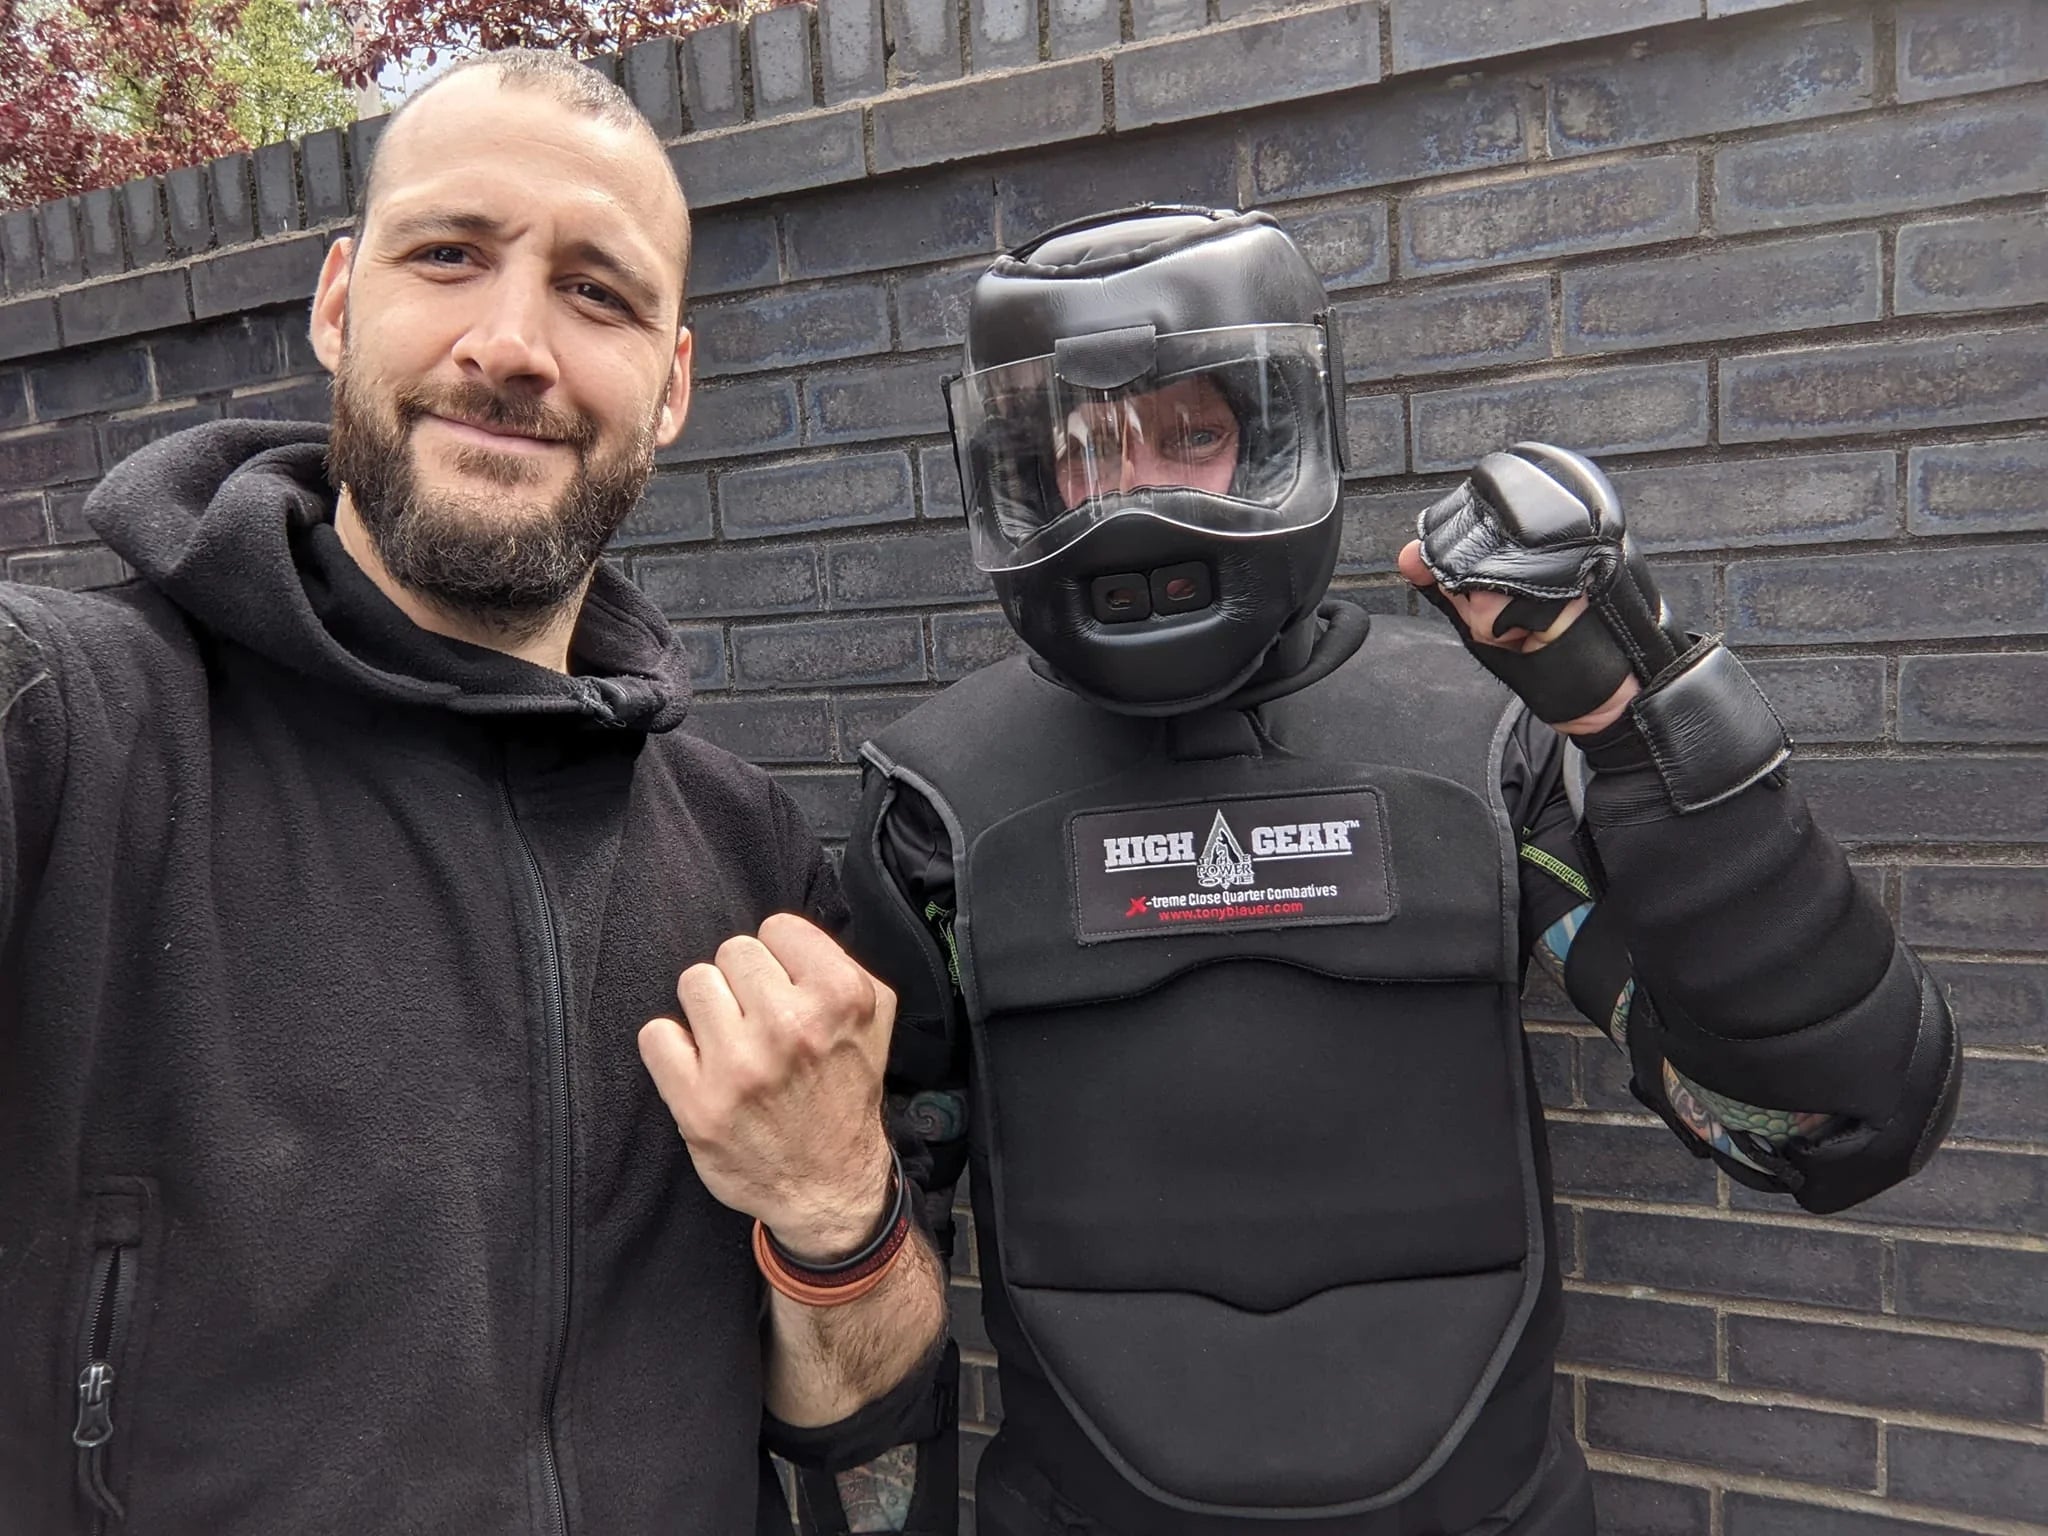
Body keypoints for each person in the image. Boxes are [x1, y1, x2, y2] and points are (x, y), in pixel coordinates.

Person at [816, 205, 1961, 1536]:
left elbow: (1828, 1129)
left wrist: (1652, 742)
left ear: (1287, 426)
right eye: (1083, 446)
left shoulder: (1480, 748)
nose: (1137, 490)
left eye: (1192, 432)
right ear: (1017, 470)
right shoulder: (936, 806)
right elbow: (856, 1253)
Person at [0, 50, 948, 1535]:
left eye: (599, 292)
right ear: (335, 302)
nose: (512, 346)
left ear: (675, 385)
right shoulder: (65, 730)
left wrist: (839, 1208)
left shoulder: (749, 850)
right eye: (449, 256)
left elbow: (858, 1423)